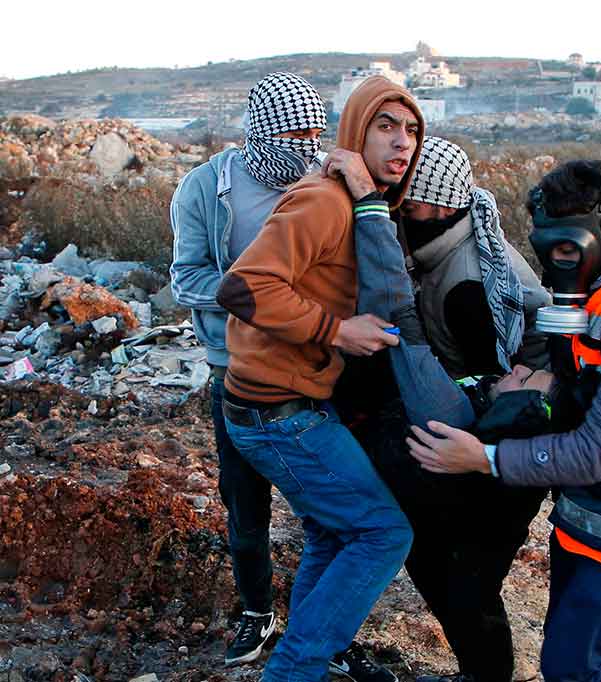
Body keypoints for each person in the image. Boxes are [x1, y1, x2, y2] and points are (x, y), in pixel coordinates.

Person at [403, 160, 601, 682]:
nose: (558, 261)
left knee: (571, 665)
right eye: (548, 247)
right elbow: (582, 390)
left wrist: (483, 458)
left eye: (569, 247)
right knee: (574, 653)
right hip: (591, 509)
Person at [214, 75, 424, 682]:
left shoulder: (357, 202)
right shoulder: (324, 201)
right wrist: (335, 331)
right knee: (384, 535)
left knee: (335, 534)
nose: (401, 142)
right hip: (277, 412)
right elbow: (242, 286)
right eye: (385, 127)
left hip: (292, 402)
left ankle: (307, 656)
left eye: (411, 130)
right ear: (356, 132)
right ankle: (293, 670)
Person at [323, 140, 554, 682]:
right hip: (496, 426)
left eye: (408, 199)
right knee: (453, 573)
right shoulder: (453, 244)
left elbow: (473, 389)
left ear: (439, 205)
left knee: (465, 579)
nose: (399, 205)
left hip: (507, 435)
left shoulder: (465, 284)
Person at [169, 71, 330, 667]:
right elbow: (186, 279)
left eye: (317, 132)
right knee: (244, 503)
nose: (307, 145)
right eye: (296, 132)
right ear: (264, 128)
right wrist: (262, 297)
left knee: (326, 503)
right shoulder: (208, 188)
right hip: (234, 368)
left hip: (316, 364)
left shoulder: (321, 182)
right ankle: (256, 612)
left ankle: (322, 625)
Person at [400, 136, 551, 377]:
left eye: (408, 209)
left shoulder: (467, 284)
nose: (400, 218)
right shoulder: (455, 245)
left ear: (446, 207)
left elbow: (485, 379)